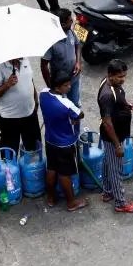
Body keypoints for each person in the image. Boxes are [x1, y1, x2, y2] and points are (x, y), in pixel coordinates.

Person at [97, 60, 133, 214]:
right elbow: (107, 123)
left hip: (117, 134)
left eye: (124, 76)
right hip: (113, 137)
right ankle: (120, 203)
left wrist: (129, 105)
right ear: (110, 75)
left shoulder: (112, 85)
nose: (122, 79)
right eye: (119, 77)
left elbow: (119, 101)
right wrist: (117, 145)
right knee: (116, 169)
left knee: (107, 161)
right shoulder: (107, 95)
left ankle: (107, 191)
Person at [41, 73, 88, 212]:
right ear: (57, 87)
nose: (69, 87)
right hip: (65, 143)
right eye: (66, 85)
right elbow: (80, 114)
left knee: (51, 168)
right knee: (64, 173)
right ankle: (71, 202)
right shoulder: (66, 104)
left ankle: (50, 198)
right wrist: (73, 118)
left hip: (50, 139)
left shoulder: (43, 93)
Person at [0, 57, 41, 156]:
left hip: (29, 114)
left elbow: (30, 80)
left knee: (33, 150)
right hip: (9, 119)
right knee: (9, 155)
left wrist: (36, 100)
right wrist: (7, 84)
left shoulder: (25, 60)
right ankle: (11, 171)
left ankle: (31, 171)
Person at [40, 8, 82, 108]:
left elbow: (78, 45)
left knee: (75, 105)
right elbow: (44, 66)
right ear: (62, 25)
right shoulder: (50, 42)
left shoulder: (70, 32)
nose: (73, 22)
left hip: (74, 78)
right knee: (63, 107)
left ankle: (76, 122)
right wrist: (51, 88)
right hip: (60, 84)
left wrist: (78, 62)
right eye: (70, 21)